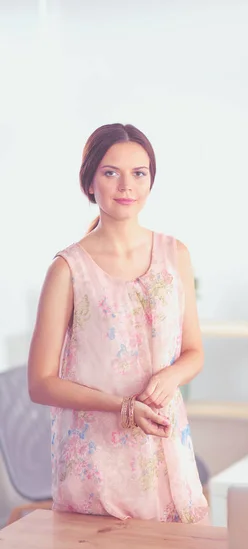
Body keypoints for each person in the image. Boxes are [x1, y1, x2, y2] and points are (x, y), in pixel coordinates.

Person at [28, 123, 209, 524]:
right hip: (96, 465)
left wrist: (172, 375)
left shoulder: (175, 254)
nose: (127, 185)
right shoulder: (67, 269)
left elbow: (194, 352)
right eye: (111, 172)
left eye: (139, 173)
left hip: (165, 454)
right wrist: (123, 408)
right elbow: (40, 383)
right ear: (89, 182)